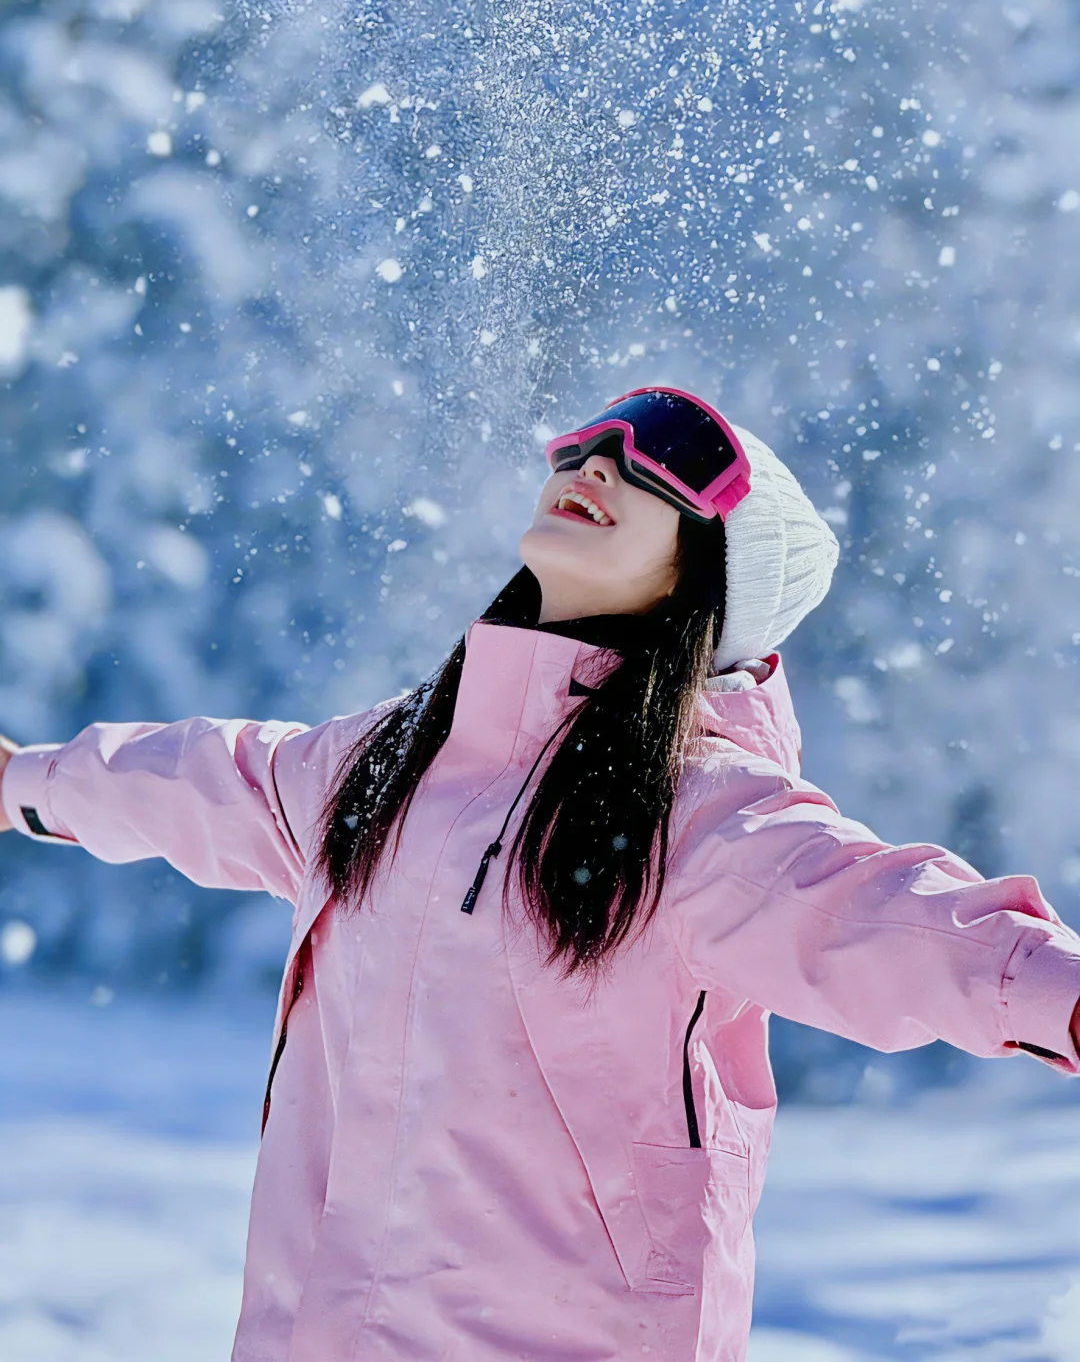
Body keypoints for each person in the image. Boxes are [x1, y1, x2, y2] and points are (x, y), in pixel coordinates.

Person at [2, 385, 1079, 1362]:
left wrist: (1058, 995)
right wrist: (21, 781)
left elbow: (880, 915)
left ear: (715, 573)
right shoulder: (388, 764)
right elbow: (200, 779)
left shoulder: (697, 819)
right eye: (585, 445)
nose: (596, 465)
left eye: (658, 463)